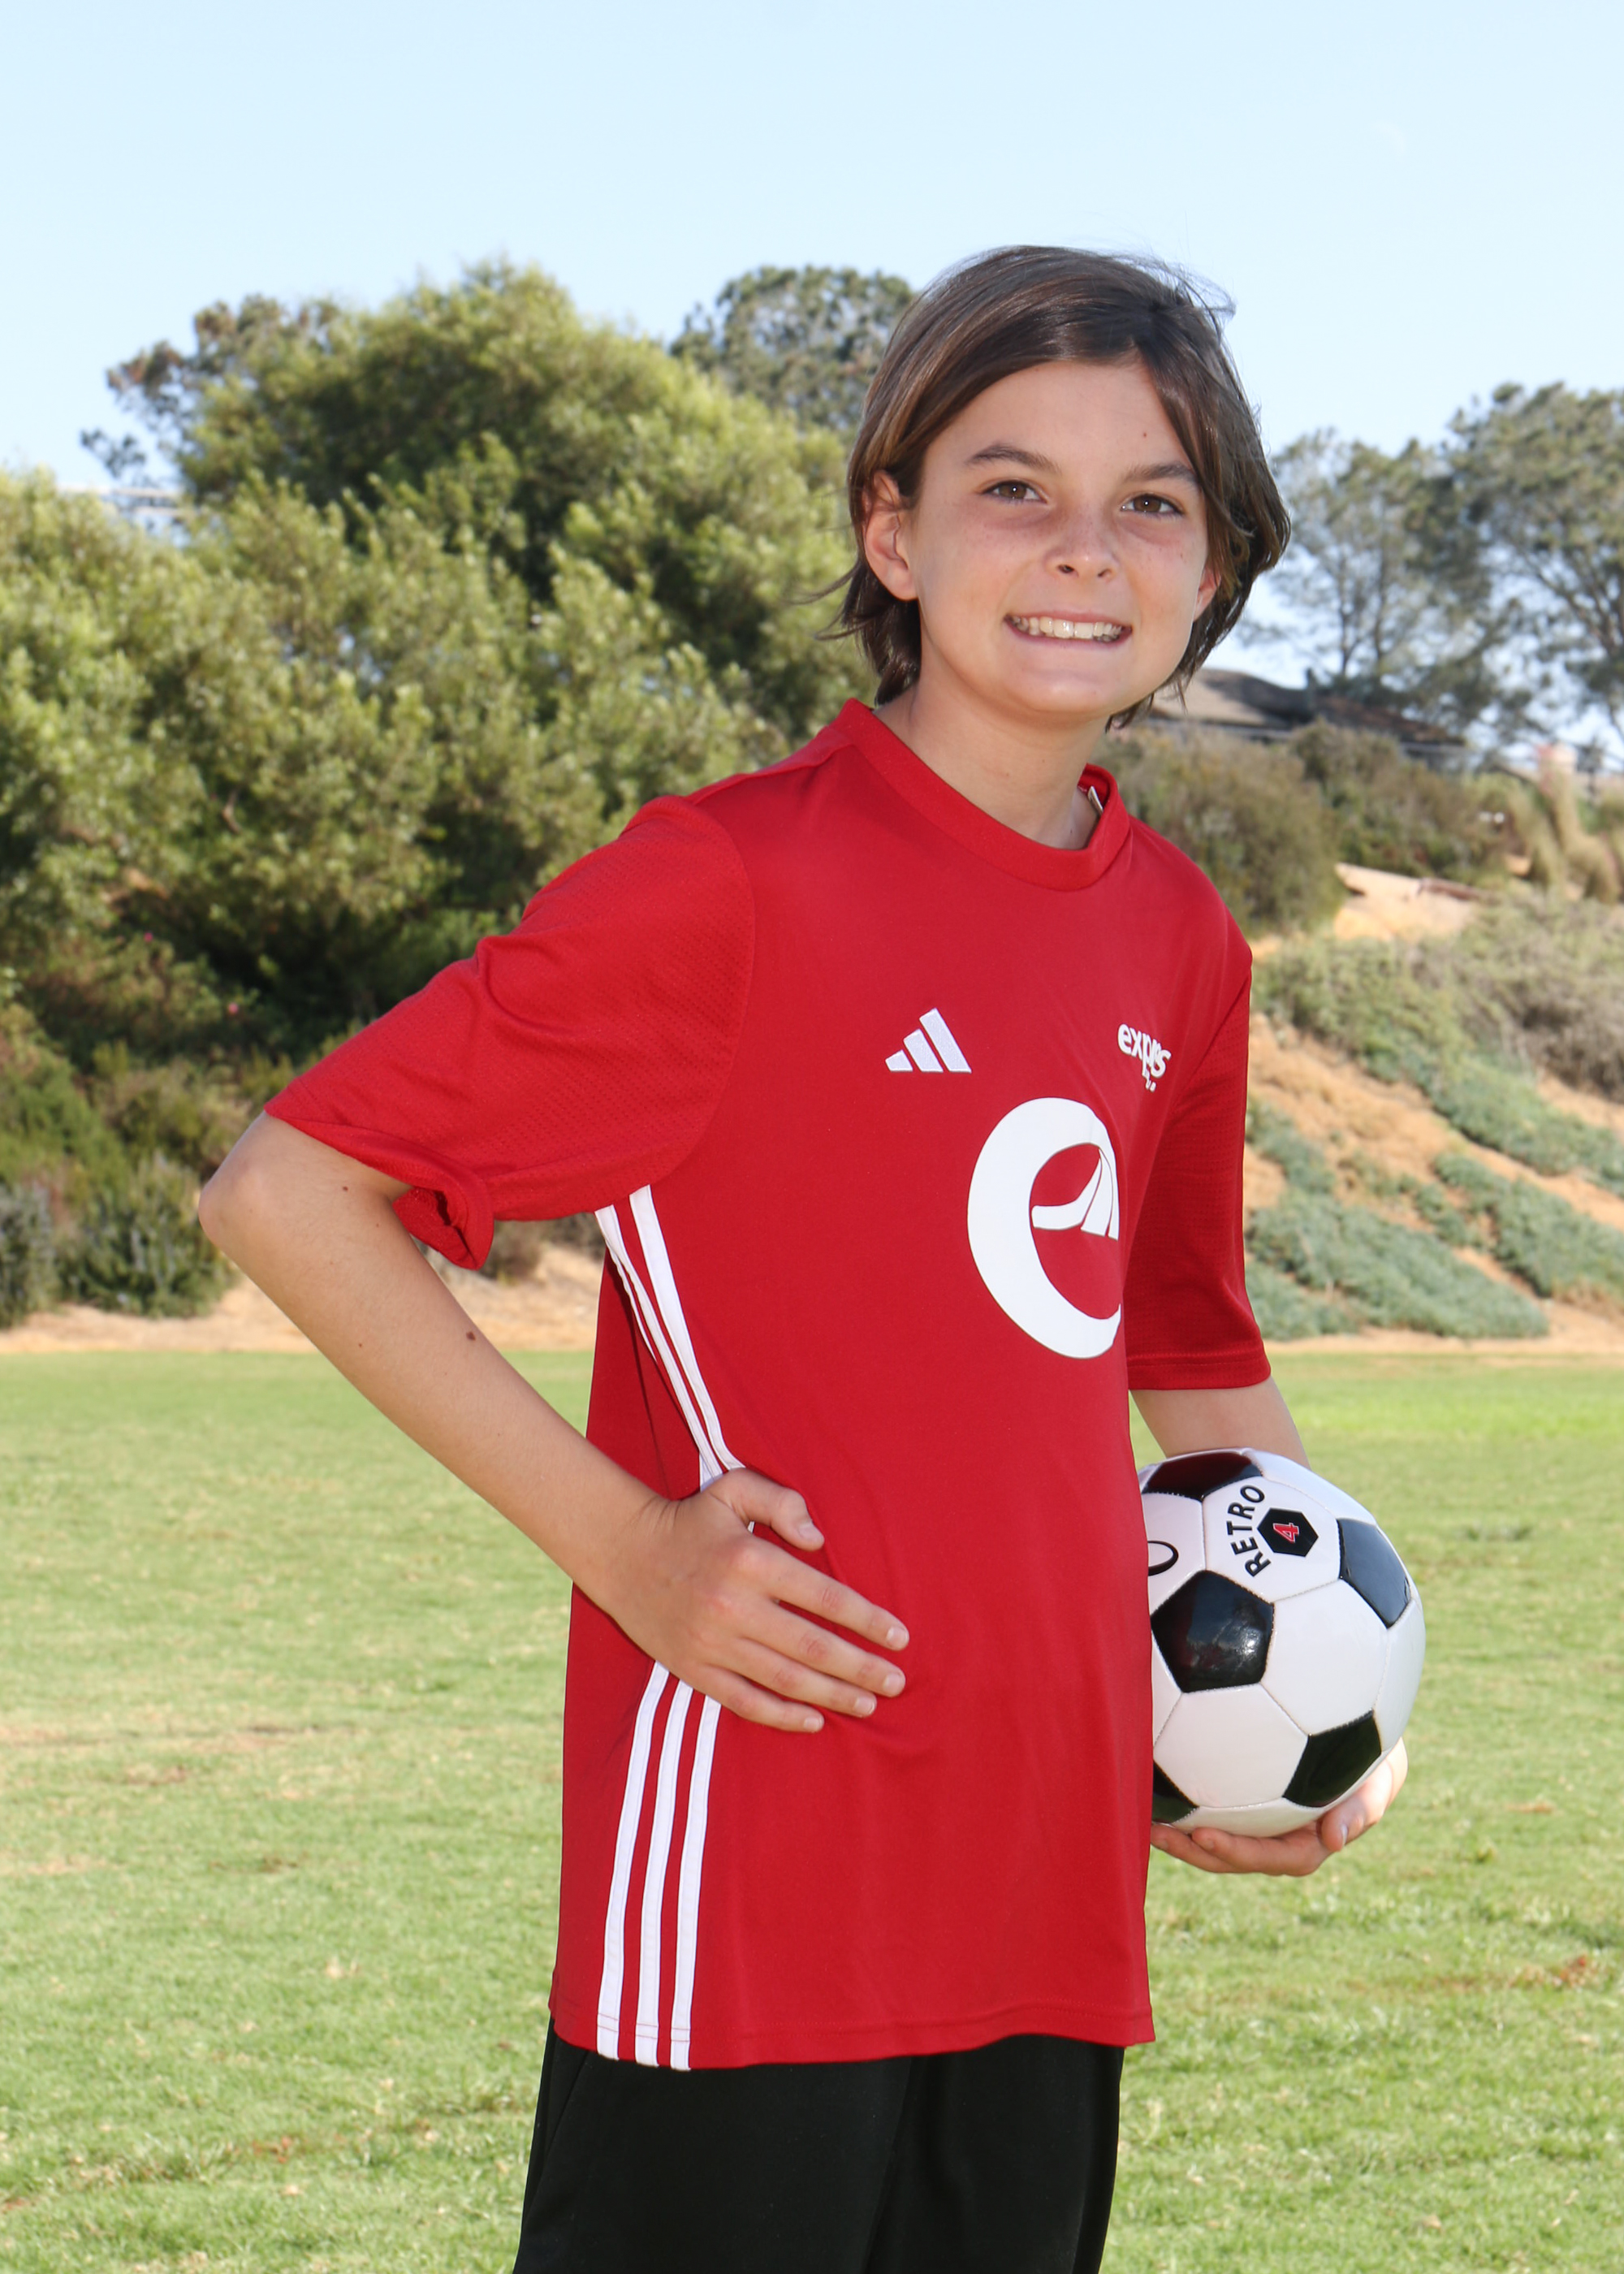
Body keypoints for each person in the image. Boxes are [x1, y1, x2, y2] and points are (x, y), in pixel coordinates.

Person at [200, 245, 1407, 2273]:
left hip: (1049, 1880)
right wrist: (630, 1545)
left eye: (1150, 501)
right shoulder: (733, 880)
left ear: (1213, 565)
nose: (1082, 549)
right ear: (892, 530)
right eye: (1012, 487)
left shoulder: (1180, 940)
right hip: (755, 1878)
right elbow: (286, 1190)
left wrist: (1322, 1690)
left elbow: (1189, 1349)